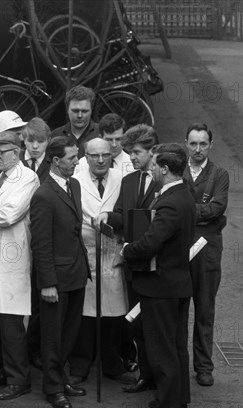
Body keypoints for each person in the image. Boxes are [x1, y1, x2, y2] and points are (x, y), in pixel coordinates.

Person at [121, 143, 195, 408]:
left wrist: (127, 249)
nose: (150, 169)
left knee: (162, 348)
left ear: (164, 169)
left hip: (161, 287)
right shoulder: (183, 196)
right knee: (175, 346)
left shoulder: (170, 202)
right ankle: (177, 399)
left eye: (154, 166)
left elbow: (152, 241)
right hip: (177, 284)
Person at [96, 123, 161, 393]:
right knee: (138, 323)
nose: (131, 158)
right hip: (134, 264)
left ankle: (163, 377)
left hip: (160, 266)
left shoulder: (165, 179)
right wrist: (107, 217)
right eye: (129, 152)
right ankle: (146, 375)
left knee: (159, 325)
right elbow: (122, 214)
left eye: (136, 152)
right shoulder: (129, 180)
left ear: (151, 151)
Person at [30, 136, 91, 408]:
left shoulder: (74, 185)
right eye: (71, 158)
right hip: (56, 279)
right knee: (53, 337)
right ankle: (53, 388)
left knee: (70, 332)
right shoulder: (43, 195)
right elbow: (41, 243)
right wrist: (48, 283)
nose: (77, 161)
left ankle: (61, 378)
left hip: (76, 273)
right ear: (55, 161)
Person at [68, 138, 128, 383]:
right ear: (86, 157)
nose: (101, 160)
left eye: (105, 155)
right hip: (88, 252)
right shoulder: (76, 182)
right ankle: (80, 365)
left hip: (113, 253)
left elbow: (125, 212)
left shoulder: (122, 179)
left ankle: (112, 363)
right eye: (95, 156)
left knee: (113, 314)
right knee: (85, 314)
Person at [0, 131, 40, 400]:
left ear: (16, 153)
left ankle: (20, 378)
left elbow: (8, 215)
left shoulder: (27, 178)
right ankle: (6, 371)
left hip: (13, 258)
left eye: (1, 152)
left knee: (11, 320)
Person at [183, 123, 229, 387]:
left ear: (211, 145)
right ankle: (178, 362)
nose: (198, 149)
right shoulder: (179, 169)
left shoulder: (219, 174)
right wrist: (200, 209)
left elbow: (218, 207)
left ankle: (203, 367)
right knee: (177, 307)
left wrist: (187, 211)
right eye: (193, 143)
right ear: (185, 144)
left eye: (203, 144)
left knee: (204, 308)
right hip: (179, 246)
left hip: (208, 248)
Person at [20, 117, 51, 370]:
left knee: (39, 299)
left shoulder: (52, 167)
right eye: (30, 140)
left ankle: (35, 349)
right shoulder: (15, 164)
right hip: (19, 236)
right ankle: (19, 350)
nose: (35, 146)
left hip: (40, 235)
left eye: (40, 141)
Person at [51, 85, 99, 159]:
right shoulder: (55, 135)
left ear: (91, 110)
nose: (80, 115)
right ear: (67, 110)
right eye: (75, 111)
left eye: (84, 111)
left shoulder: (101, 134)